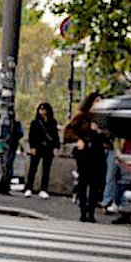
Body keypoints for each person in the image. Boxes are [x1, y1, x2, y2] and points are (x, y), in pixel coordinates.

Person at [64, 92, 109, 222]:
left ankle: (91, 211)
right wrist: (78, 140)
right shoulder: (82, 117)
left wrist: (100, 132)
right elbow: (68, 131)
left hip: (97, 152)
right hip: (85, 153)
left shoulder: (102, 118)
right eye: (96, 101)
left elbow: (108, 136)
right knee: (84, 181)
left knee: (96, 183)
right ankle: (83, 209)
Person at [24, 102, 59, 198]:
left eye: (43, 109)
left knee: (46, 169)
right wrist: (32, 147)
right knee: (33, 168)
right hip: (37, 147)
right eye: (40, 109)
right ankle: (29, 188)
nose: (41, 111)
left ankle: (44, 189)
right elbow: (31, 136)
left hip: (48, 147)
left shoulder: (52, 122)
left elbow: (55, 136)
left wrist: (56, 147)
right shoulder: (35, 122)